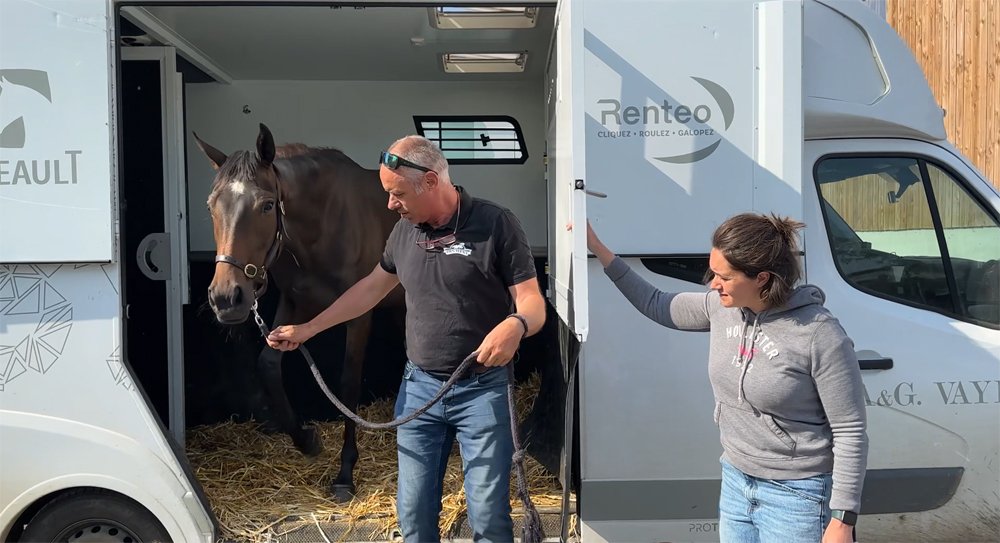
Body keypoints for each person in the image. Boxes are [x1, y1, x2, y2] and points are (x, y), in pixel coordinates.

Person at [266, 135, 545, 543]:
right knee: (413, 516)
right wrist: (308, 328)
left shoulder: (495, 224)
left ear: (431, 181)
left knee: (488, 518)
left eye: (397, 194)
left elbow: (533, 303)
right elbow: (370, 289)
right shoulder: (403, 232)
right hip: (419, 391)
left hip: (482, 391)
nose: (390, 205)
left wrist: (516, 324)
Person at [586, 214, 867, 543]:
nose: (713, 284)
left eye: (724, 277)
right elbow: (657, 303)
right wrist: (598, 249)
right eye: (713, 273)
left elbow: (850, 430)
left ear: (761, 278)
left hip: (797, 496)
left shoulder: (820, 334)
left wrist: (842, 519)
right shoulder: (723, 308)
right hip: (736, 480)